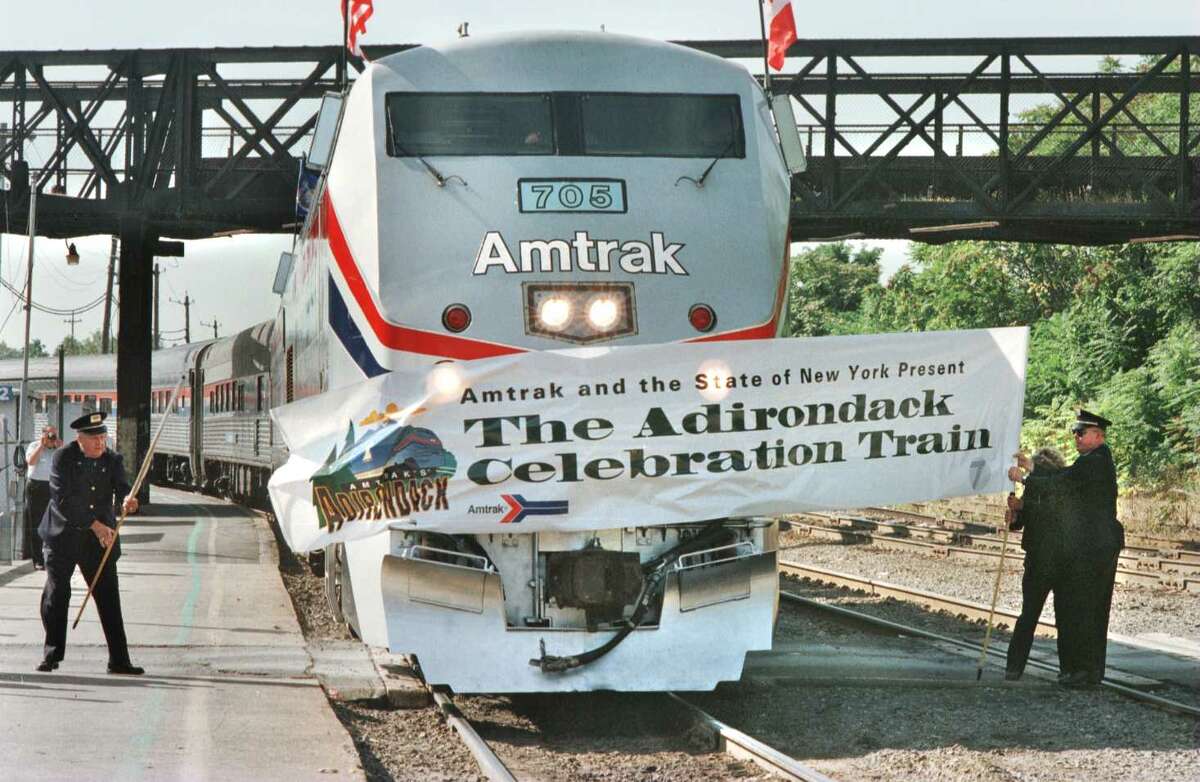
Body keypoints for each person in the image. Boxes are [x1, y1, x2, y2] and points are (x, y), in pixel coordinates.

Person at [1009, 409, 1123, 688]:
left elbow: (1062, 483)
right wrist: (1031, 471)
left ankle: (1085, 671)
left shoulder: (1095, 462)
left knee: (1086, 609)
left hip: (1094, 548)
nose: (1076, 436)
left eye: (1081, 433)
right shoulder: (1090, 461)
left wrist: (1025, 477)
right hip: (1090, 548)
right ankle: (1080, 670)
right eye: (1075, 432)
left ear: (1098, 435)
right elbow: (1064, 478)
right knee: (1078, 609)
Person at [36, 411, 143, 675]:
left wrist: (129, 501)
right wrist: (95, 525)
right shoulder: (64, 458)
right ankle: (52, 655)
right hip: (63, 537)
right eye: (94, 438)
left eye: (103, 437)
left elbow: (122, 488)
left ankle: (119, 660)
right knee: (58, 594)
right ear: (79, 438)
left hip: (99, 541)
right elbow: (63, 500)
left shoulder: (113, 459)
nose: (100, 443)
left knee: (108, 596)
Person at [1003, 447, 1068, 681]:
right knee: (1033, 615)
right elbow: (1022, 522)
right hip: (1041, 557)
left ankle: (1015, 667)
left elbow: (1050, 512)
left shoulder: (1060, 485)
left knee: (1031, 615)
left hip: (1051, 558)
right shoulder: (1035, 487)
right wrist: (1015, 516)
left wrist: (1023, 508)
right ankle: (1016, 666)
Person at [24, 424, 62, 569]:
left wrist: (59, 447)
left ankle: (53, 556)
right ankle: (38, 560)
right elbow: (31, 462)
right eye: (49, 435)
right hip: (36, 487)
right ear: (43, 434)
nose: (51, 438)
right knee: (36, 522)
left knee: (54, 522)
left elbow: (67, 464)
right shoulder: (34, 446)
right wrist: (42, 445)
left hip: (53, 487)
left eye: (54, 435)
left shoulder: (57, 449)